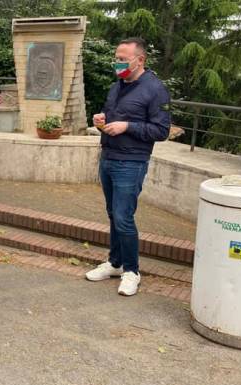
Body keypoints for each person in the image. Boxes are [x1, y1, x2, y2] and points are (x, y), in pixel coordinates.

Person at [85, 37, 171, 296]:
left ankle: (132, 271)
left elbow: (162, 130)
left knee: (124, 217)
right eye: (117, 57)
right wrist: (102, 118)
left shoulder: (155, 89)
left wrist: (127, 126)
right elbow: (112, 115)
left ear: (140, 60)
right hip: (109, 156)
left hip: (131, 163)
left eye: (123, 59)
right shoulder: (117, 86)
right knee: (113, 214)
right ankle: (114, 263)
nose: (117, 63)